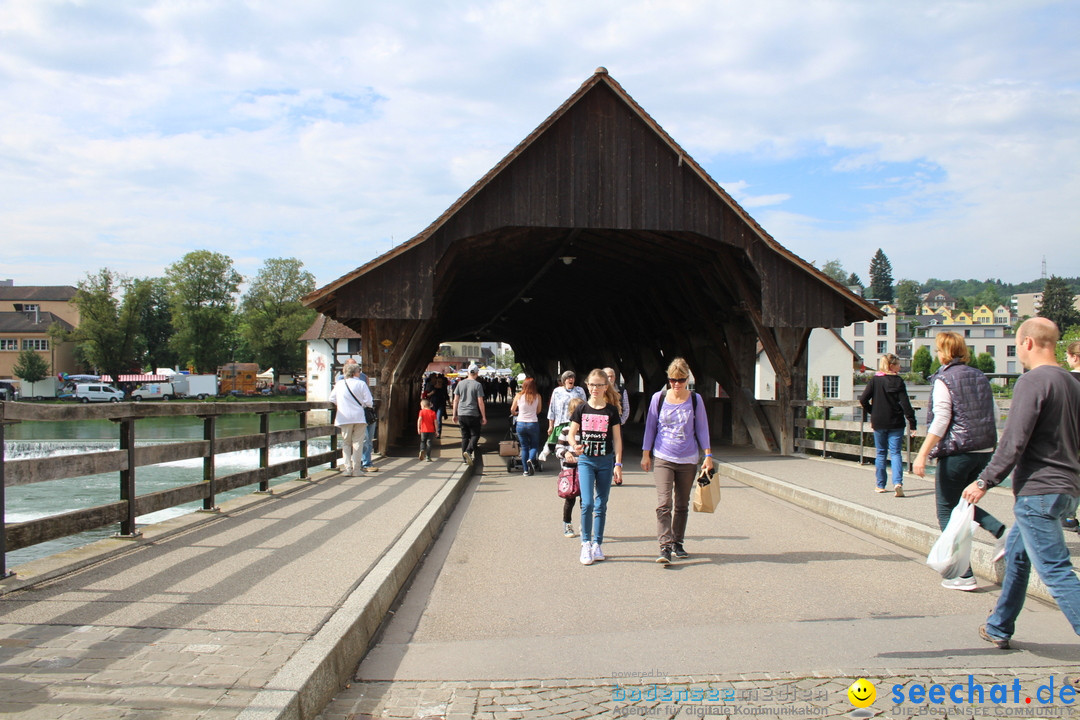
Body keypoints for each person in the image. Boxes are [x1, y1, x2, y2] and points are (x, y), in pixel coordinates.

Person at [959, 318, 1080, 650]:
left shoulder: (1032, 382)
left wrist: (985, 480)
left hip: (1038, 490)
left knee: (1056, 572)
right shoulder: (1072, 383)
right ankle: (999, 625)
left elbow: (1013, 440)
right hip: (1067, 488)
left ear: (1027, 343)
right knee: (1017, 555)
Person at [913, 331, 1007, 590]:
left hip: (957, 452)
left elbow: (941, 420)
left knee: (947, 510)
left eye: (937, 350)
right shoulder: (980, 376)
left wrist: (922, 454)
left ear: (943, 352)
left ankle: (962, 574)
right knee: (963, 504)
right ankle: (1001, 532)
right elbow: (994, 414)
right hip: (984, 450)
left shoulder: (944, 379)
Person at [641, 358, 713, 564]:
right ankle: (664, 546)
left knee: (682, 504)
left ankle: (677, 542)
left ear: (687, 379)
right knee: (664, 503)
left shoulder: (695, 400)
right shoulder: (659, 398)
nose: (676, 384)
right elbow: (650, 427)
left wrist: (708, 455)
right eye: (672, 380)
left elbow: (702, 428)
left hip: (688, 458)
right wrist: (646, 454)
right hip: (663, 456)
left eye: (680, 380)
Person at [565, 369, 623, 566]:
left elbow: (617, 439)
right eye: (592, 384)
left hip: (606, 461)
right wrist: (574, 446)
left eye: (599, 385)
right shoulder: (581, 410)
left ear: (606, 386)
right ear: (587, 386)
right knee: (587, 503)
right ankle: (585, 543)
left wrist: (618, 464)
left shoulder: (611, 411)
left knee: (601, 504)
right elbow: (572, 434)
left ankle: (597, 544)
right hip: (587, 461)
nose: (595, 388)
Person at [859, 354, 917, 497]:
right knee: (896, 452)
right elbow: (905, 403)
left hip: (879, 421)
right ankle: (898, 483)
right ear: (891, 366)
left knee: (881, 452)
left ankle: (880, 485)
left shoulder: (875, 380)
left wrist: (872, 411)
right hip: (896, 422)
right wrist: (912, 422)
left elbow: (863, 399)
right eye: (897, 364)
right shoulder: (898, 381)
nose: (900, 367)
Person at [328, 362, 373, 476]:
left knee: (346, 443)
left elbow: (332, 398)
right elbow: (369, 402)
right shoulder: (361, 384)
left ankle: (347, 469)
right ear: (355, 373)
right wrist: (362, 404)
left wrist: (342, 403)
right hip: (358, 417)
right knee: (358, 443)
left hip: (344, 417)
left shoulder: (339, 384)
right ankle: (357, 470)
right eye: (358, 371)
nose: (359, 373)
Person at [555, 397, 585, 537]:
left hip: (585, 470)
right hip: (569, 471)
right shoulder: (566, 431)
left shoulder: (587, 432)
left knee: (585, 500)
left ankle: (584, 524)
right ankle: (567, 523)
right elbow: (558, 448)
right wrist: (565, 452)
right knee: (570, 499)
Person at [452, 364, 487, 465]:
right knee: (475, 434)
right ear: (477, 373)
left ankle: (464, 458)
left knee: (464, 436)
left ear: (467, 372)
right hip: (473, 413)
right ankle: (469, 451)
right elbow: (480, 402)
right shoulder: (478, 385)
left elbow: (455, 400)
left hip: (462, 413)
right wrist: (484, 416)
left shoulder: (460, 384)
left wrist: (454, 414)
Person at [510, 377, 543, 476]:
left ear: (524, 385)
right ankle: (531, 459)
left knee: (524, 447)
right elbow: (538, 411)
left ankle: (525, 470)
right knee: (534, 445)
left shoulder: (518, 396)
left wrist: (516, 413)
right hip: (533, 423)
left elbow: (512, 409)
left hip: (520, 424)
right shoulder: (538, 396)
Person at [356, 368, 379, 473]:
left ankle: (366, 462)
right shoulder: (342, 380)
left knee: (367, 439)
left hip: (366, 413)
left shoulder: (364, 377)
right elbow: (369, 400)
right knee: (365, 439)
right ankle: (362, 462)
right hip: (359, 414)